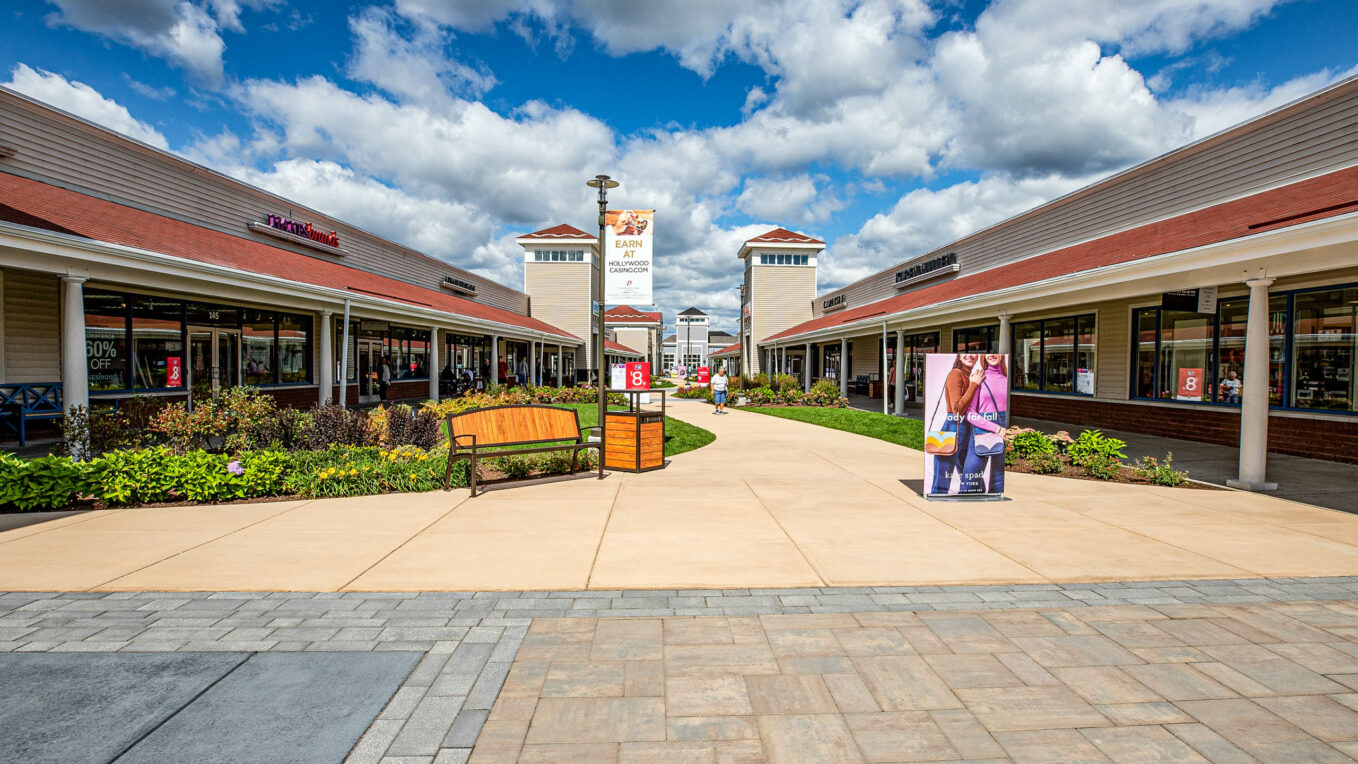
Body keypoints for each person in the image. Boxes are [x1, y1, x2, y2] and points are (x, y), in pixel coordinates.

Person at [930, 354, 981, 496]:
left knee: (970, 473)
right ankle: (937, 503)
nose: (970, 355)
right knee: (942, 480)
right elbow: (957, 409)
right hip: (954, 424)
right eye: (965, 353)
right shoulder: (955, 374)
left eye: (973, 353)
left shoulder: (971, 376)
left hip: (968, 426)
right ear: (959, 356)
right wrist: (974, 385)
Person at [961, 354, 1010, 494]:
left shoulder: (1008, 380)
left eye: (996, 352)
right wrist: (996, 428)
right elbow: (969, 413)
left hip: (1004, 427)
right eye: (988, 352)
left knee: (998, 480)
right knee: (969, 481)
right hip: (982, 429)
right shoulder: (980, 378)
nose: (992, 355)